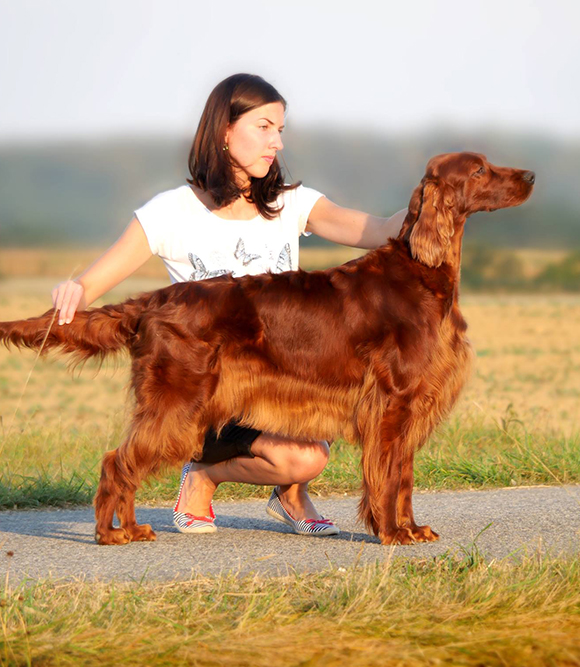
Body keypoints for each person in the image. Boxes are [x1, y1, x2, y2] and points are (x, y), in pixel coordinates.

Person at [51, 73, 407, 537]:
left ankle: (289, 490)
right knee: (304, 457)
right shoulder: (171, 212)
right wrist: (73, 290)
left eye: (280, 130)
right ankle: (203, 474)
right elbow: (93, 282)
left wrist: (435, 196)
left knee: (310, 450)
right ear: (224, 130)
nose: (276, 142)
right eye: (264, 127)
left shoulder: (290, 204)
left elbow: (379, 230)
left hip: (279, 391)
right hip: (211, 389)